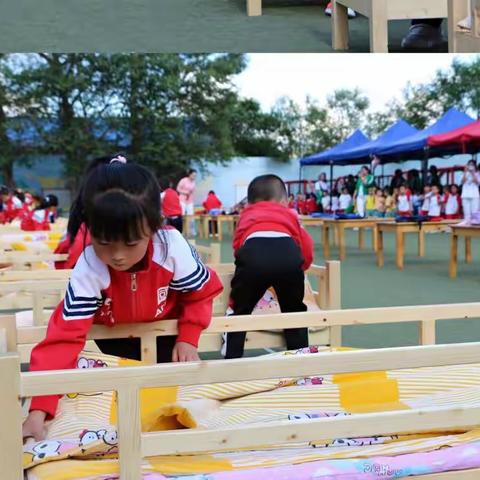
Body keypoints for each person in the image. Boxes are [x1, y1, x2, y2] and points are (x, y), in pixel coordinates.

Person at [22, 160, 223, 441]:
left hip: (166, 335)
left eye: (130, 243)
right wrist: (38, 410)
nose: (117, 256)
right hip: (112, 341)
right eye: (104, 242)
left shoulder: (172, 248)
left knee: (169, 407)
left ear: (154, 227)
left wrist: (188, 336)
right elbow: (62, 337)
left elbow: (201, 293)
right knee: (120, 412)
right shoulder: (91, 265)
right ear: (89, 228)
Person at [224, 174, 313, 359]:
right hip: (288, 258)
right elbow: (305, 246)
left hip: (253, 258)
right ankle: (301, 357)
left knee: (240, 308)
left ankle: (232, 355)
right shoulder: (290, 215)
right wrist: (302, 266)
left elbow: (238, 246)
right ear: (284, 200)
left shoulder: (246, 215)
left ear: (249, 203)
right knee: (294, 309)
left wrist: (244, 267)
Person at [177, 169, 197, 236]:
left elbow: (193, 191)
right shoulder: (183, 180)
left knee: (191, 216)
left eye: (195, 175)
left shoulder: (194, 182)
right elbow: (178, 189)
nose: (194, 176)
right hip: (182, 200)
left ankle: (192, 231)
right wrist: (185, 192)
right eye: (193, 175)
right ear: (190, 174)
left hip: (190, 201)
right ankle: (180, 230)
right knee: (182, 215)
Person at [461, 160, 480, 225]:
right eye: (469, 164)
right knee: (466, 211)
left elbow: (477, 182)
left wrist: (473, 173)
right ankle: (466, 221)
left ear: (475, 166)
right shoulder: (465, 173)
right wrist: (465, 172)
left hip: (474, 195)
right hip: (465, 194)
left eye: (472, 164)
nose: (470, 166)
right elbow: (462, 182)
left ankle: (474, 222)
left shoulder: (478, 173)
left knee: (474, 211)